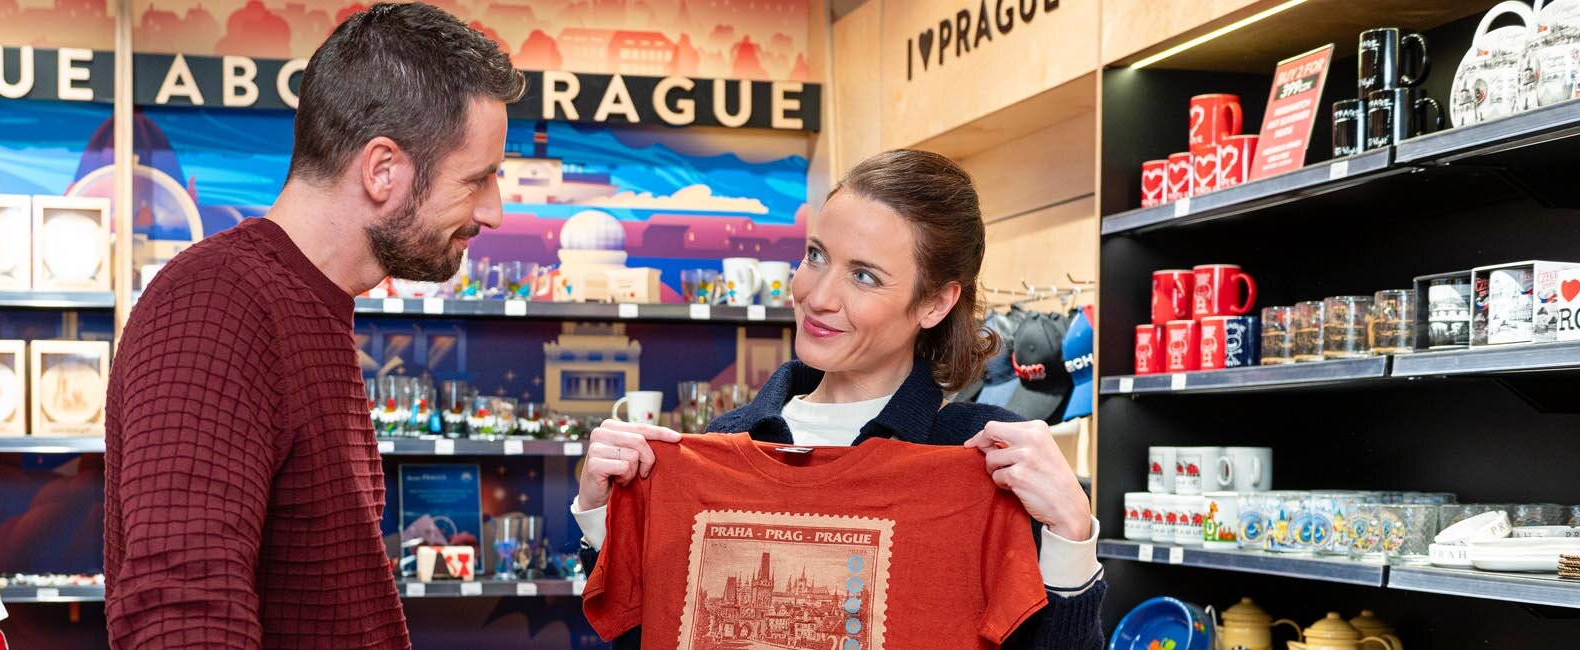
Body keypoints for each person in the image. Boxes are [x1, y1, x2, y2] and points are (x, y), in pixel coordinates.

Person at [103, 4, 523, 649]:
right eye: (477, 180)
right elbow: (181, 613)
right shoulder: (216, 304)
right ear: (382, 169)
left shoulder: (302, 301)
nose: (493, 212)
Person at [573, 149, 1105, 648]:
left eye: (864, 276)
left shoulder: (978, 460)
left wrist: (1071, 538)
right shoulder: (723, 444)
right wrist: (606, 521)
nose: (819, 296)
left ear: (935, 303)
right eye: (816, 256)